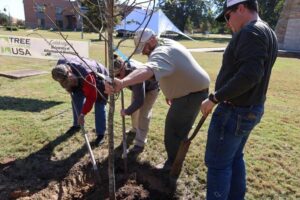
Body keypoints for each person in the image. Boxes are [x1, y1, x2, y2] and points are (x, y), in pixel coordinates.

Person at [200, 0, 278, 199]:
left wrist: (215, 97)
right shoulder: (268, 31)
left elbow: (251, 74)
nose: (228, 22)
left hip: (234, 112)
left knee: (218, 164)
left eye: (228, 15)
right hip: (250, 109)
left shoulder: (250, 32)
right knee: (234, 157)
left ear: (241, 8)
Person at [105, 28, 210, 171]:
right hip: (189, 93)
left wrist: (122, 83)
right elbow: (172, 68)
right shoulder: (165, 42)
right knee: (177, 129)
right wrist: (170, 93)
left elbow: (148, 70)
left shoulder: (161, 52)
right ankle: (174, 163)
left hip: (191, 96)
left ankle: (172, 166)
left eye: (143, 48)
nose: (143, 52)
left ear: (152, 40)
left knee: (173, 131)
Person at [52, 55, 108, 146]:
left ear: (69, 71)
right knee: (76, 98)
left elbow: (91, 98)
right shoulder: (60, 67)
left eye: (68, 80)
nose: (67, 83)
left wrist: (83, 114)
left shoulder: (87, 75)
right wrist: (68, 87)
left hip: (99, 78)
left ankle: (100, 134)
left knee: (99, 105)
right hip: (79, 78)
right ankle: (77, 125)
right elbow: (62, 80)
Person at [113, 55, 159, 154]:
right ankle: (134, 129)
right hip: (137, 88)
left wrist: (126, 111)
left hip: (151, 88)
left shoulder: (134, 73)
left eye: (117, 76)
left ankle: (140, 143)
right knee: (134, 111)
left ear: (123, 69)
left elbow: (139, 101)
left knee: (143, 114)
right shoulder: (122, 71)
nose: (116, 78)